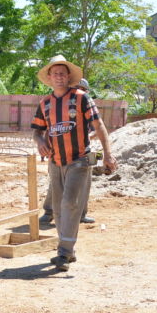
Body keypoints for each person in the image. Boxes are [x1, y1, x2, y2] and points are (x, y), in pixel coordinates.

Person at [31, 56, 117, 269]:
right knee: (60, 207)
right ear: (49, 78)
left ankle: (64, 253)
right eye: (55, 74)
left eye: (62, 73)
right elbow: (36, 130)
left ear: (68, 76)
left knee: (70, 202)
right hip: (55, 162)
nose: (59, 77)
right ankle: (68, 250)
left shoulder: (81, 99)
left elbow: (99, 126)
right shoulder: (45, 103)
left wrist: (108, 154)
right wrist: (40, 140)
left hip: (79, 159)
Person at [40, 77, 95, 227]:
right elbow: (48, 129)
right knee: (55, 183)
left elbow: (96, 129)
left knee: (84, 184)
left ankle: (81, 214)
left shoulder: (86, 103)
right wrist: (45, 145)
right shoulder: (57, 105)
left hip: (84, 152)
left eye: (81, 89)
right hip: (60, 152)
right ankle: (49, 212)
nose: (78, 92)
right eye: (77, 88)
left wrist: (85, 137)